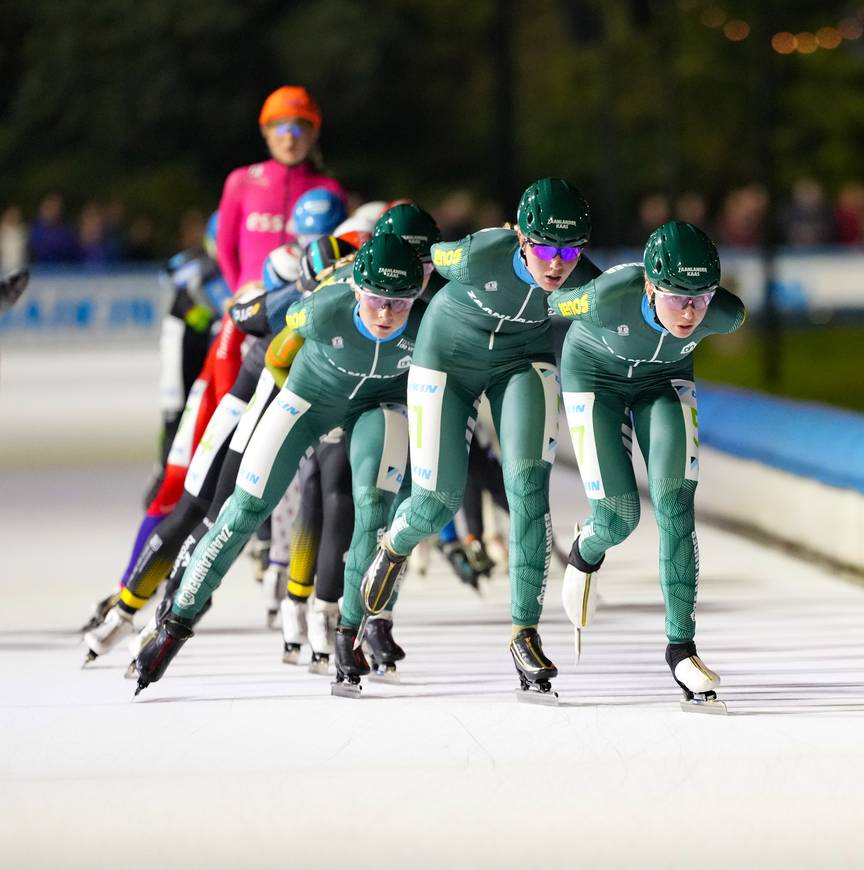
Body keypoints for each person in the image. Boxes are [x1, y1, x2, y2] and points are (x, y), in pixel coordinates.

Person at [133, 234, 425, 696]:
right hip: (308, 403)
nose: (386, 315)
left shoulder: (425, 324)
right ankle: (175, 625)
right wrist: (302, 410)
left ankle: (348, 636)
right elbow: (274, 357)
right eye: (374, 301)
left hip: (375, 409)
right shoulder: (320, 308)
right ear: (355, 291)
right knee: (242, 511)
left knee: (373, 513)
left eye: (399, 304)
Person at [355, 177, 601, 702]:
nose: (556, 263)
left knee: (528, 491)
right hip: (446, 358)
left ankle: (524, 632)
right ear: (518, 235)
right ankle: (395, 545)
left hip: (521, 363)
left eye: (570, 250)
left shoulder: (584, 281)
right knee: (436, 501)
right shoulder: (474, 254)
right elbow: (418, 259)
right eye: (544, 248)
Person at [550, 220, 745, 713]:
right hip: (594, 379)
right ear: (649, 286)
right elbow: (552, 300)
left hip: (665, 383)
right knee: (619, 516)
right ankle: (587, 547)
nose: (690, 312)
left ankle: (682, 649)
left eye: (701, 298)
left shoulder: (725, 314)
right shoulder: (604, 296)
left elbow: (720, 313)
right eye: (678, 297)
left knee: (676, 504)